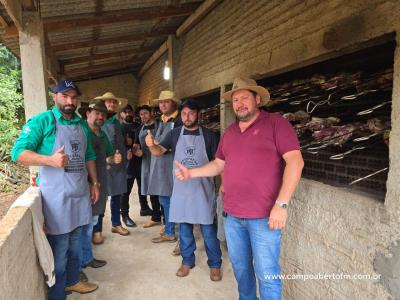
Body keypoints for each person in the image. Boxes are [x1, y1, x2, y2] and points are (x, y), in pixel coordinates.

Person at [175, 78, 304, 300]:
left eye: (245, 97)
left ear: (257, 99)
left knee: (267, 273)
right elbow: (219, 164)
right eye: (235, 99)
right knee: (242, 271)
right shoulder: (230, 132)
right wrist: (191, 173)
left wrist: (281, 204)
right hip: (233, 216)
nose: (240, 103)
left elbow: (296, 162)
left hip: (264, 217)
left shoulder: (276, 123)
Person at [11, 80, 100, 299]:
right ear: (54, 97)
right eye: (65, 96)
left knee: (76, 245)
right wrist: (49, 160)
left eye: (73, 97)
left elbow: (88, 155)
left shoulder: (81, 125)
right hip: (57, 199)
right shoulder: (43, 121)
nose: (70, 101)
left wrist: (95, 182)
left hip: (80, 194)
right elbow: (18, 153)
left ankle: (72, 281)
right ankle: (58, 294)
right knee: (59, 252)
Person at [146, 99, 222, 280]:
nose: (187, 117)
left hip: (203, 191)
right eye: (184, 114)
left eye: (191, 113)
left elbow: (220, 164)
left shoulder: (210, 136)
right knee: (185, 230)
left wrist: (223, 187)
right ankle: (187, 261)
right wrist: (150, 144)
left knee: (209, 232)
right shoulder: (174, 134)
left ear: (198, 115)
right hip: (181, 191)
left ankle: (215, 264)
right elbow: (158, 152)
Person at [78, 100, 122, 280]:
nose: (101, 116)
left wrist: (114, 159)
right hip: (85, 186)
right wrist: (89, 183)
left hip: (100, 184)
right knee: (82, 227)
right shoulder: (81, 131)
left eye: (104, 114)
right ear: (88, 113)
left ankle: (87, 258)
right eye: (97, 113)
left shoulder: (102, 134)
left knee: (91, 223)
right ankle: (79, 264)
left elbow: (107, 157)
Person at [146, 90, 182, 244]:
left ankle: (178, 235)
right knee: (164, 200)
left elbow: (179, 145)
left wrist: (160, 146)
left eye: (166, 101)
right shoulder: (161, 121)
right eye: (161, 102)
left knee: (176, 201)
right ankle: (169, 228)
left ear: (174, 103)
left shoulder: (179, 121)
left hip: (173, 166)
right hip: (160, 165)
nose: (163, 104)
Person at [93, 92, 130, 236]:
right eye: (109, 102)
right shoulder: (100, 122)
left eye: (114, 102)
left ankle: (116, 224)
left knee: (116, 196)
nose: (111, 104)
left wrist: (126, 151)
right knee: (101, 197)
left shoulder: (116, 121)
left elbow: (118, 142)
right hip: (104, 164)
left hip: (119, 165)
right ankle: (97, 229)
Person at [119, 104, 152, 227]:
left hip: (140, 161)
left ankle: (144, 207)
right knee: (125, 191)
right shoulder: (119, 128)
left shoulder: (139, 126)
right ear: (121, 114)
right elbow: (115, 145)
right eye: (125, 112)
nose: (128, 114)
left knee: (142, 186)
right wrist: (125, 147)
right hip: (127, 164)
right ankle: (125, 214)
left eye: (130, 112)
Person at [132, 105, 162, 228]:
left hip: (161, 161)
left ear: (151, 113)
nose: (143, 116)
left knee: (164, 190)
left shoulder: (161, 125)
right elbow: (135, 146)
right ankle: (156, 217)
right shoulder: (139, 129)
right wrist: (136, 151)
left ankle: (168, 218)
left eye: (145, 113)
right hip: (147, 162)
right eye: (141, 114)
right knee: (153, 190)